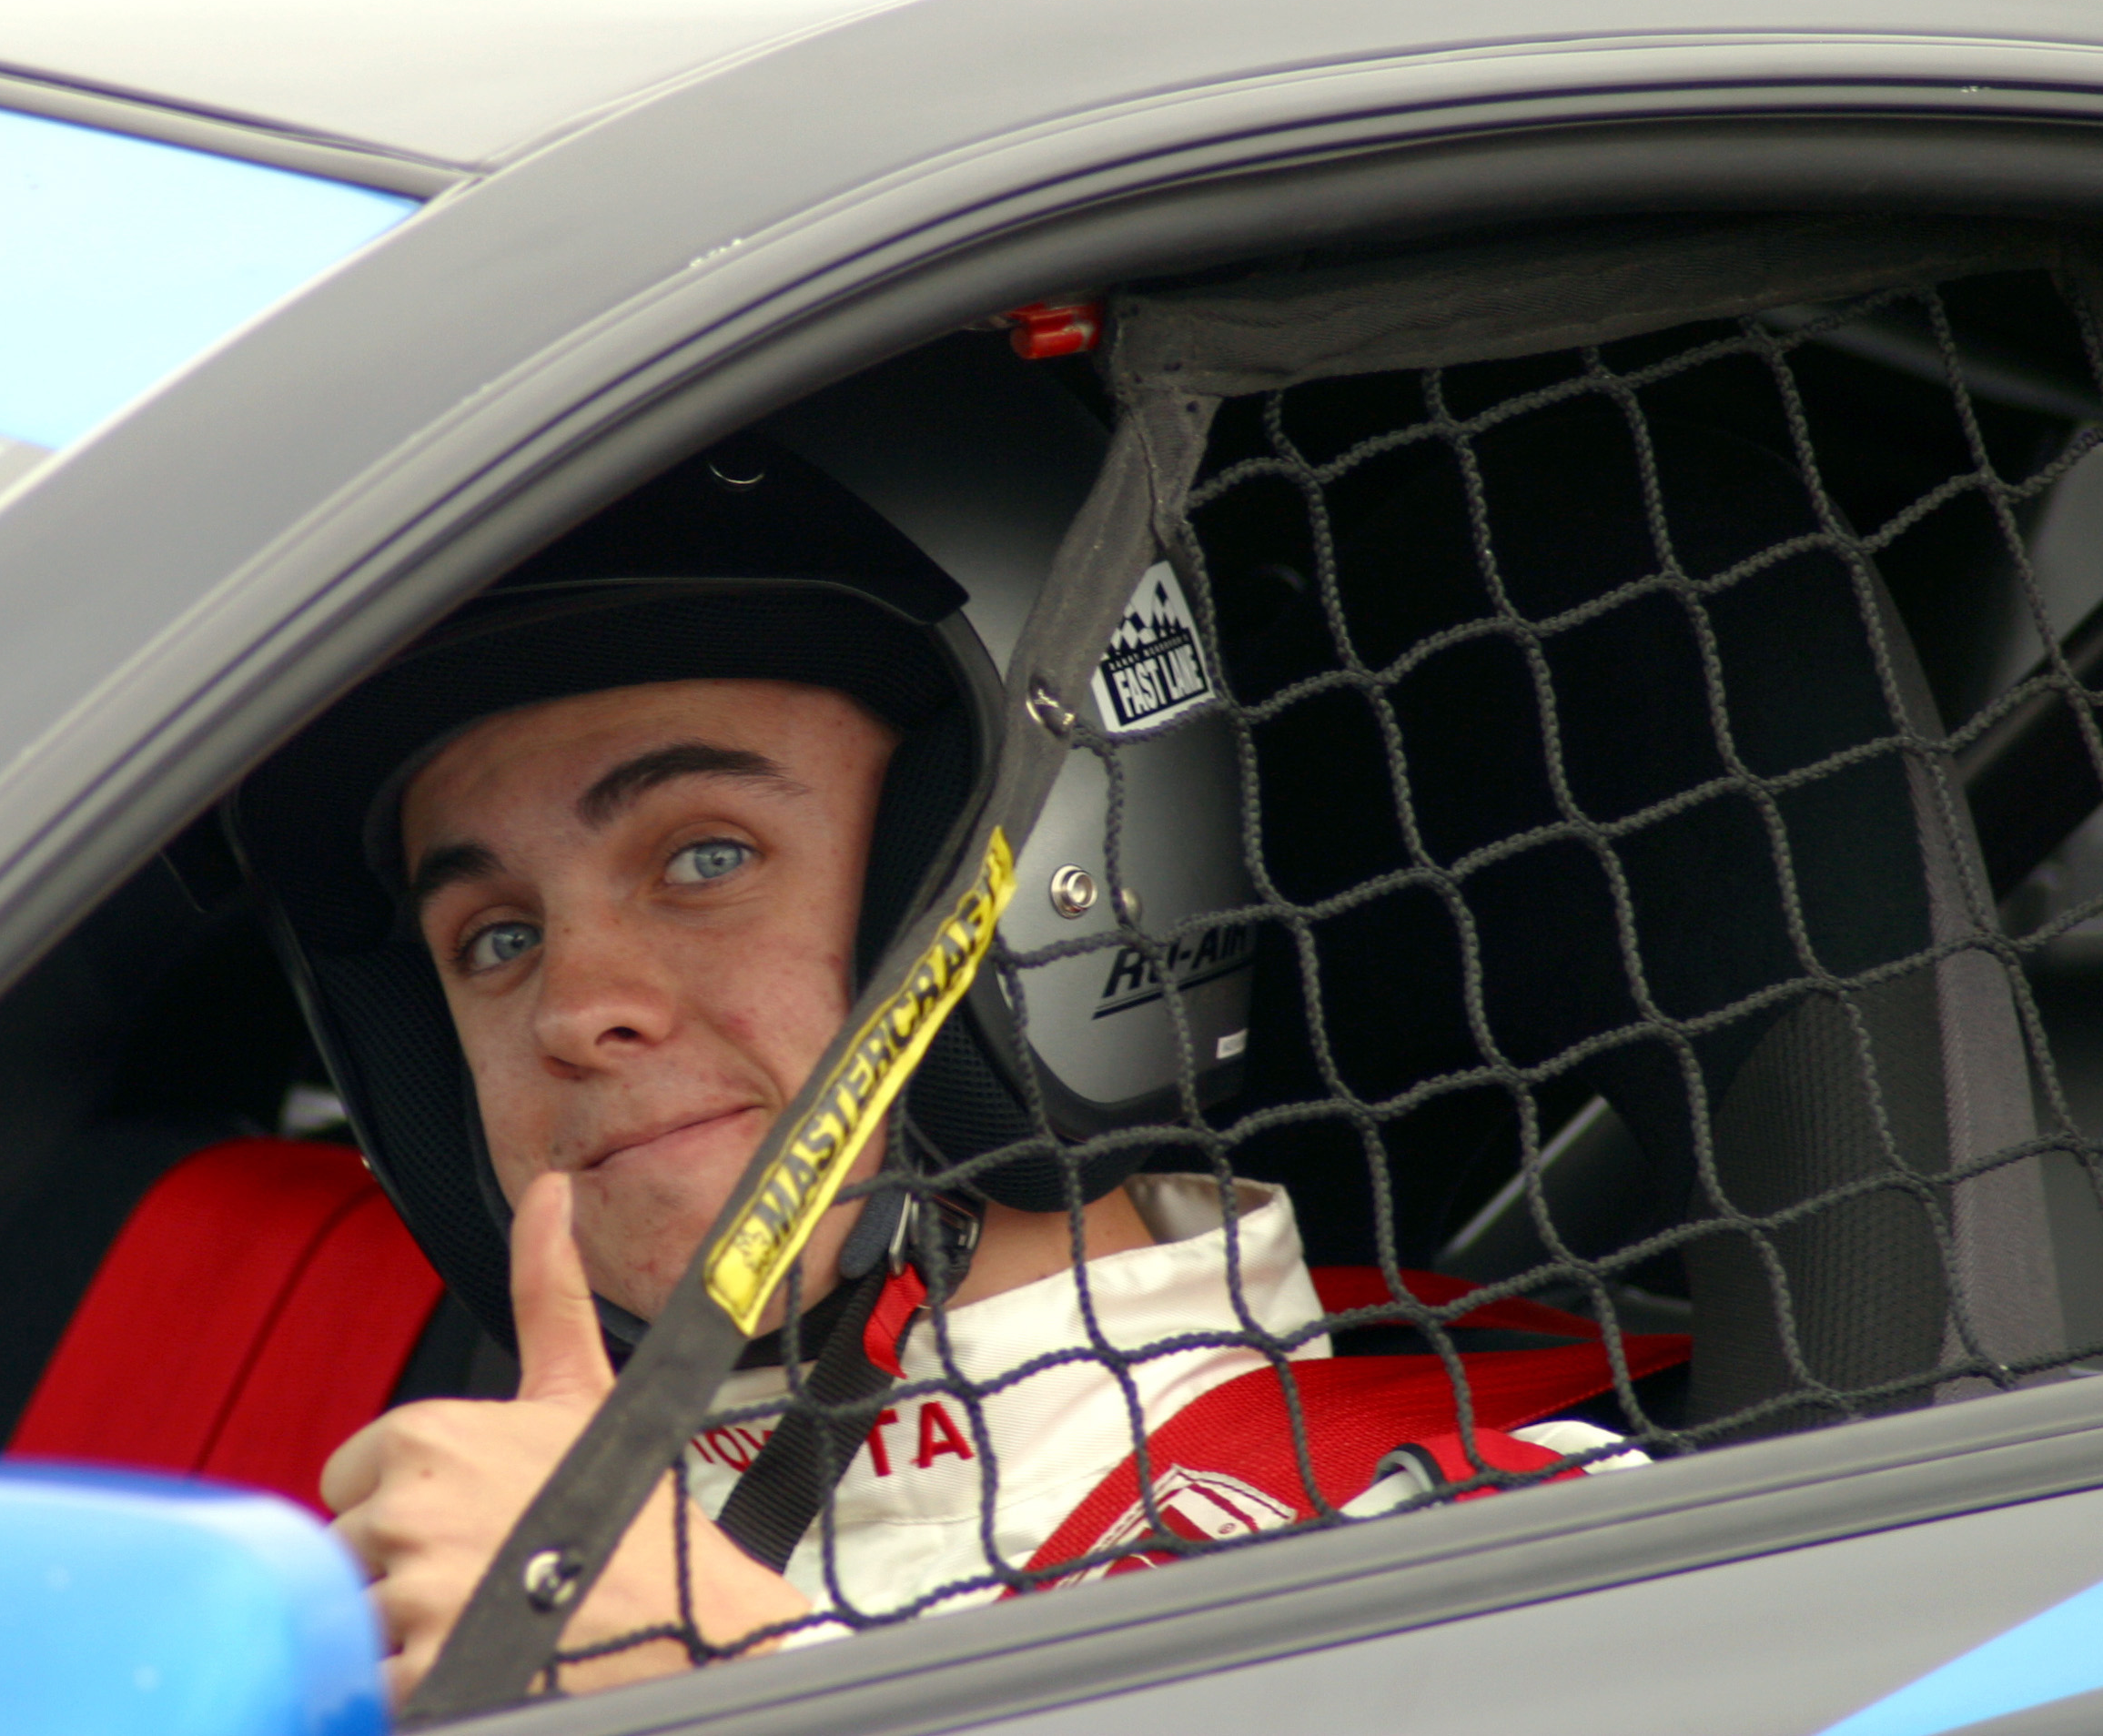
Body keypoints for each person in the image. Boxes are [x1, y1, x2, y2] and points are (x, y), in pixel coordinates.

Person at [234, 432, 1661, 1704]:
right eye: (492, 940)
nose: (574, 1008)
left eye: (706, 857)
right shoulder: (401, 1620)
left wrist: (736, 1687)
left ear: (1048, 877)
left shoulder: (1517, 1566)